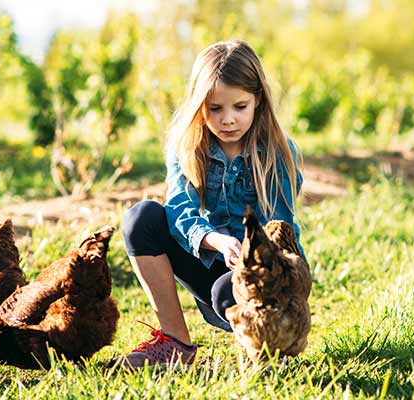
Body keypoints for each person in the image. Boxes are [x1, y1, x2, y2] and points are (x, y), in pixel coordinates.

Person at [112, 39, 305, 368]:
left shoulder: (276, 151)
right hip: (210, 255)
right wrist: (216, 241)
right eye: (215, 109)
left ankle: (268, 347)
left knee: (225, 294)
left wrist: (247, 255)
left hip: (262, 275)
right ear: (199, 106)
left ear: (258, 99)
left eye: (239, 107)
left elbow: (279, 231)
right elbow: (179, 211)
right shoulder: (187, 145)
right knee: (141, 218)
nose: (228, 119)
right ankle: (175, 343)